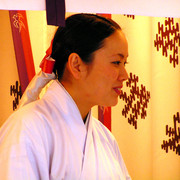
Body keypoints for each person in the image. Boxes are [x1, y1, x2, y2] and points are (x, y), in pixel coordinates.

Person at [0, 13, 131, 180]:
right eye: (116, 62)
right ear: (76, 65)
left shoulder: (105, 138)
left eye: (124, 63)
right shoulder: (26, 128)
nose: (125, 75)